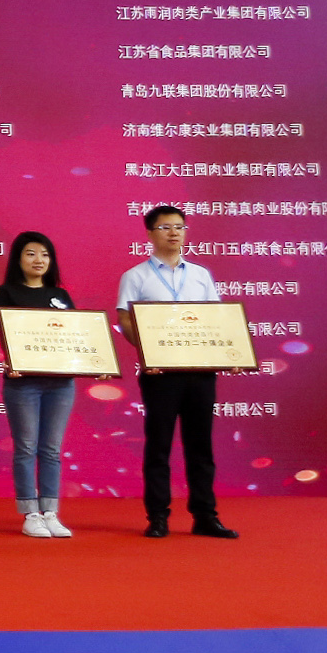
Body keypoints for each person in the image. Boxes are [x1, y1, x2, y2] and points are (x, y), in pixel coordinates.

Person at [119, 204, 239, 539]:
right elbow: (125, 320)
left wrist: (228, 352)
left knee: (200, 446)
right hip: (160, 373)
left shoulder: (200, 274)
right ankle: (158, 516)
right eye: (165, 227)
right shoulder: (135, 276)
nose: (174, 233)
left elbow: (217, 319)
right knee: (159, 445)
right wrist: (148, 352)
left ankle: (205, 516)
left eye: (180, 227)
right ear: (149, 233)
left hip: (200, 371)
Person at [0, 230, 79, 539]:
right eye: (30, 253)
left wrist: (94, 363)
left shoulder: (61, 296)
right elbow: (1, 336)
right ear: (18, 259)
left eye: (44, 254)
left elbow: (77, 335)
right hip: (23, 384)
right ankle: (30, 513)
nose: (38, 259)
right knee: (26, 448)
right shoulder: (5, 293)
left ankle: (50, 512)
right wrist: (8, 362)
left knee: (52, 449)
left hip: (61, 383)